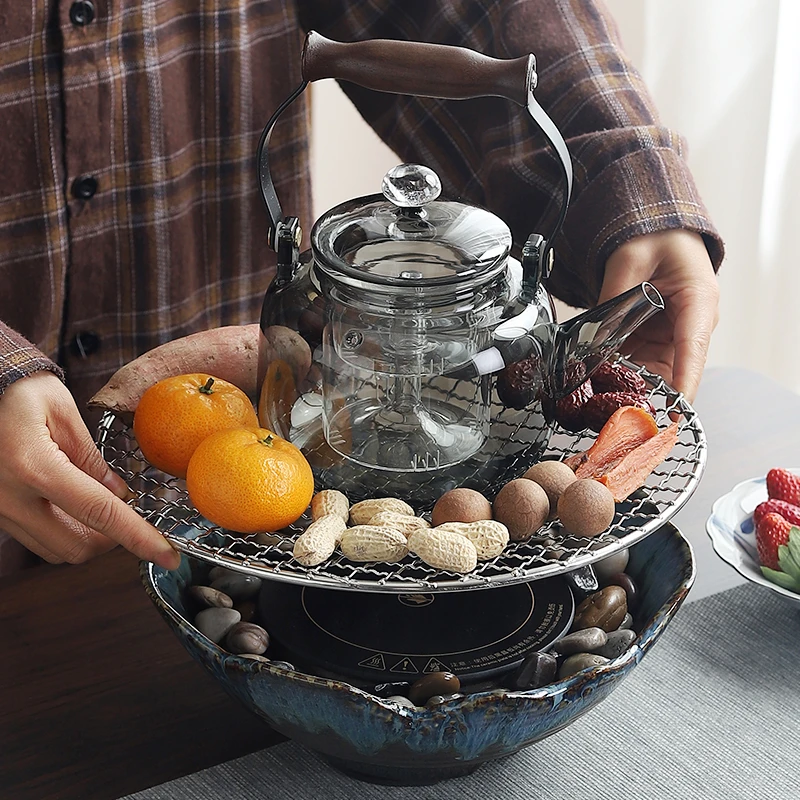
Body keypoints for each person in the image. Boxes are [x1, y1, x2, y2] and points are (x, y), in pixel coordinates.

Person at [0, 0, 722, 573]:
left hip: (237, 513)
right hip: (188, 465)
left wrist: (625, 187)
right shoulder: (307, 299)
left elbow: (470, 9)